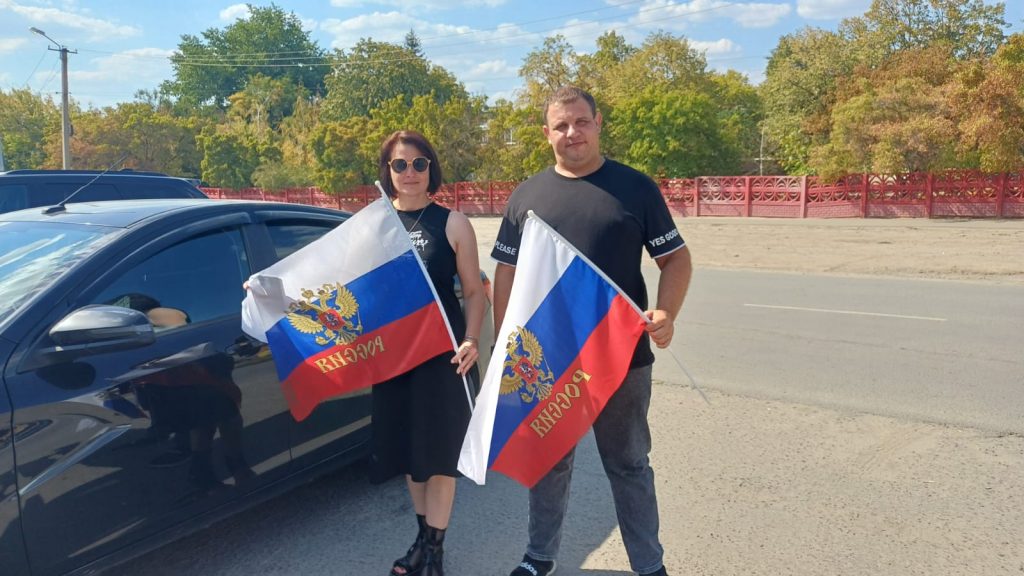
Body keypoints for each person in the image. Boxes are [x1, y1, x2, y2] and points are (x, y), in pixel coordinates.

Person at [491, 87, 692, 576]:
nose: (572, 133)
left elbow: (676, 259)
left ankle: (649, 565)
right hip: (548, 358)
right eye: (561, 125)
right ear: (547, 134)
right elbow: (506, 273)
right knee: (549, 461)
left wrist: (666, 313)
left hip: (621, 355)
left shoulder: (635, 188)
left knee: (629, 464)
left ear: (598, 123)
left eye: (581, 122)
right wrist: (503, 345)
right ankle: (538, 558)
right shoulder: (526, 197)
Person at [372, 130, 486, 576]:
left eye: (419, 163)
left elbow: (474, 291)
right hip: (396, 358)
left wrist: (472, 339)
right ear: (388, 171)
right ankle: (423, 541)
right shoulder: (374, 224)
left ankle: (434, 552)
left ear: (430, 169)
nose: (410, 172)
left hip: (444, 358)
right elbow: (337, 282)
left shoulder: (452, 223)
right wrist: (276, 293)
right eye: (400, 164)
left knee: (438, 458)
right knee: (410, 455)